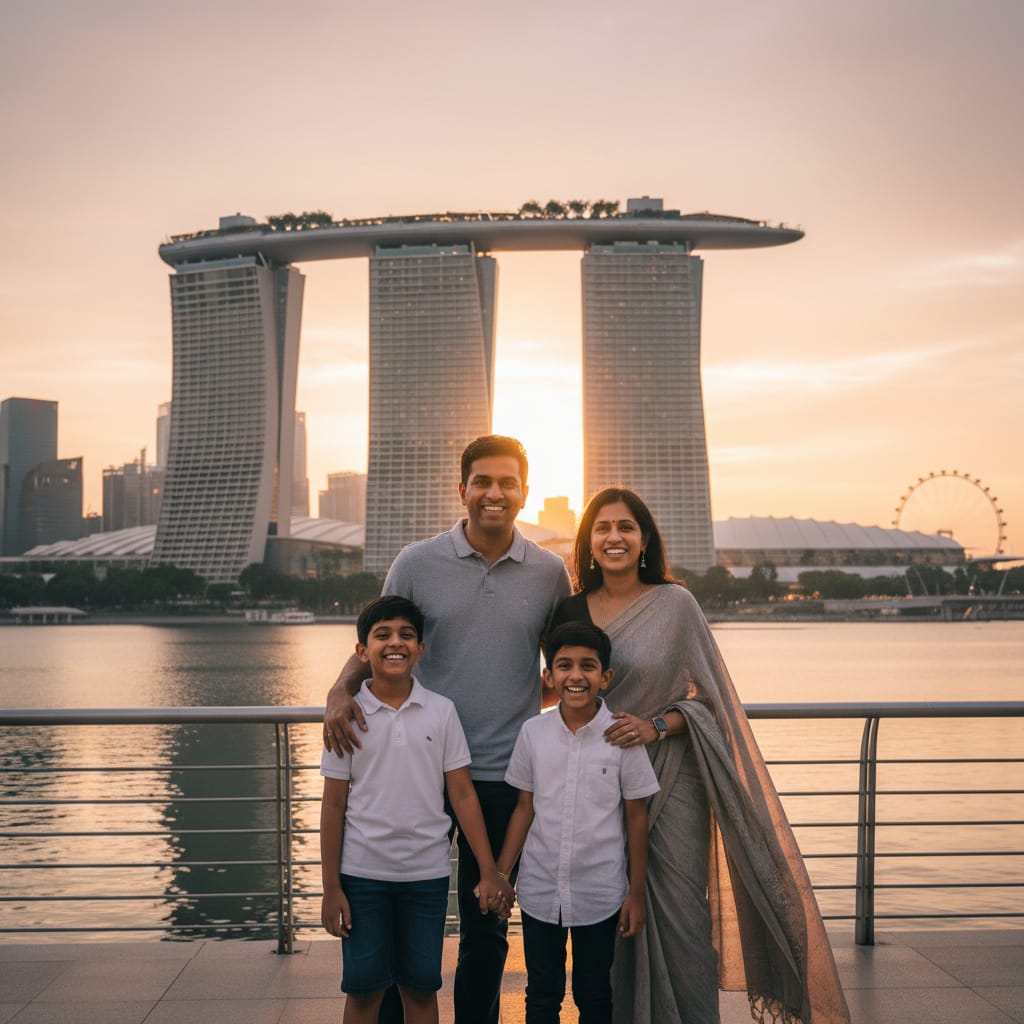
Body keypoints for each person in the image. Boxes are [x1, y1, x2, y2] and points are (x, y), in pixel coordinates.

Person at [550, 487, 851, 1024]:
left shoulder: (675, 604)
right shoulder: (569, 609)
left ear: (644, 540)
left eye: (626, 527)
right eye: (602, 528)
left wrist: (656, 726)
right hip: (595, 783)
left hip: (671, 775)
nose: (614, 537)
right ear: (587, 541)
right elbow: (559, 688)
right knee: (608, 919)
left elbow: (711, 698)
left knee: (684, 917)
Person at [323, 435, 572, 1024]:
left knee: (487, 926)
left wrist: (523, 697)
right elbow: (380, 641)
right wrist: (338, 691)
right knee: (397, 916)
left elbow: (565, 666)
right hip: (418, 773)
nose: (494, 493)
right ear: (462, 490)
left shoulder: (549, 573)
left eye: (507, 483)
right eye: (482, 482)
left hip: (504, 776)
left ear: (523, 493)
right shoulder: (416, 562)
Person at [320, 595, 514, 1024]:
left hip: (426, 878)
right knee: (364, 992)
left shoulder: (441, 713)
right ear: (361, 651)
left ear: (421, 650)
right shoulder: (346, 718)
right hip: (361, 877)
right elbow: (333, 805)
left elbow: (462, 795)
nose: (396, 643)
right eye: (382, 635)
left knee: (421, 989)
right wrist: (330, 886)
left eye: (407, 635)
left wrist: (487, 870)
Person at [495, 620, 660, 1024]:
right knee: (542, 994)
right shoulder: (533, 733)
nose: (575, 675)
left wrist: (635, 894)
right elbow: (524, 808)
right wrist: (503, 875)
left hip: (599, 892)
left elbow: (636, 818)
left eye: (588, 666)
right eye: (564, 665)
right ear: (549, 675)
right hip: (539, 888)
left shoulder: (621, 736)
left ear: (605, 677)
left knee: (594, 992)